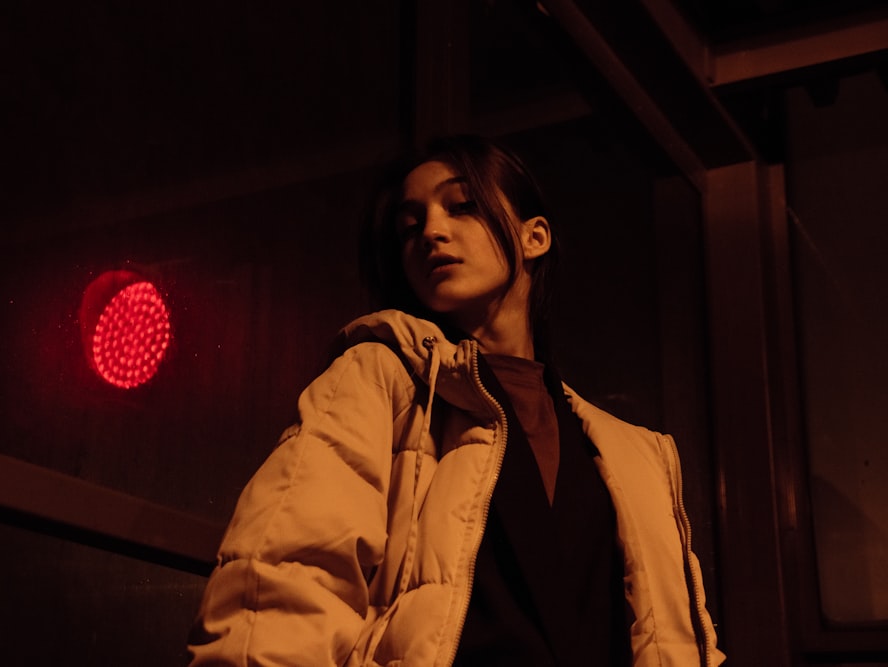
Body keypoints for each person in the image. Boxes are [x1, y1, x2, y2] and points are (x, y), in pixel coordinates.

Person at [187, 135, 726, 666]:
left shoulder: (634, 454)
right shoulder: (382, 377)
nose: (431, 232)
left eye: (462, 206)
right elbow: (285, 579)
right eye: (409, 225)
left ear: (534, 237)